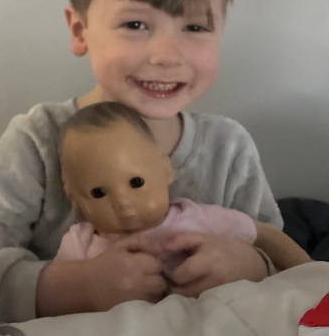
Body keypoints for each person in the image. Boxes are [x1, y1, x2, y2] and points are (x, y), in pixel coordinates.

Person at [0, 0, 282, 322]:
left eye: (195, 27)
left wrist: (251, 265)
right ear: (79, 30)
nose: (166, 55)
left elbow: (278, 255)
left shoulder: (228, 149)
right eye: (135, 24)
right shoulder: (37, 140)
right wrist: (81, 286)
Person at [54, 101, 310, 275]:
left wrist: (315, 276)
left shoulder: (197, 219)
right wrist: (90, 287)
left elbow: (264, 235)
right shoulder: (79, 245)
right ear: (74, 196)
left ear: (166, 170)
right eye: (99, 193)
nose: (123, 203)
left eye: (136, 182)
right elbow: (58, 301)